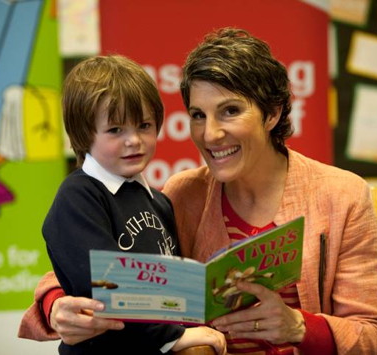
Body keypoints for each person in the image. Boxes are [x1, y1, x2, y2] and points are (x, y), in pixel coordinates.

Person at [19, 28, 377, 354]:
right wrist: (55, 305)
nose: (210, 134)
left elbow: (375, 339)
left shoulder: (343, 195)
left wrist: (298, 326)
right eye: (198, 115)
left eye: (230, 111)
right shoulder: (182, 194)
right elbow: (96, 267)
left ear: (273, 113)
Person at [23, 54, 226, 355]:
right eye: (116, 130)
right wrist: (172, 337)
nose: (134, 140)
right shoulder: (78, 197)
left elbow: (172, 288)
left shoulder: (158, 201)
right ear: (83, 133)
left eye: (144, 125)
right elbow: (108, 288)